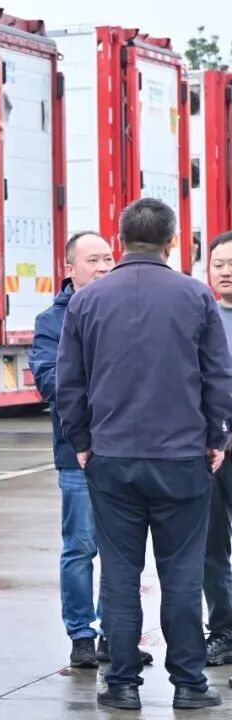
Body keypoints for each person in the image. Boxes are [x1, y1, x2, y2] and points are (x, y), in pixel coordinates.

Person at [57, 198, 232, 711]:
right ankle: (189, 683)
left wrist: (82, 442)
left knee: (119, 574)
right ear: (171, 243)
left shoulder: (87, 302)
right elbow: (218, 378)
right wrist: (217, 438)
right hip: (182, 459)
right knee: (181, 574)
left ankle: (123, 683)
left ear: (120, 241)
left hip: (112, 459)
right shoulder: (195, 297)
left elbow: (69, 384)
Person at [28, 232, 154, 670]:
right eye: (93, 260)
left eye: (108, 259)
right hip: (77, 454)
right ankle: (81, 634)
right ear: (70, 269)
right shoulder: (52, 320)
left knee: (123, 550)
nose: (103, 267)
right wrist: (107, 394)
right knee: (81, 547)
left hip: (127, 450)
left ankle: (115, 636)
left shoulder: (127, 307)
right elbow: (51, 381)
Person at [204, 230, 232, 670]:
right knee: (210, 544)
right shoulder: (200, 314)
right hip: (210, 446)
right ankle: (224, 630)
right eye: (219, 265)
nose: (226, 272)